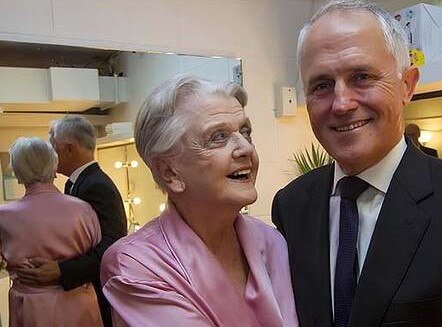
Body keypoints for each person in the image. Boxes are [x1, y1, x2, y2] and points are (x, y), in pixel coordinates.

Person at [271, 1, 442, 326]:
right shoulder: (293, 205)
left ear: (407, 85)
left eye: (361, 77)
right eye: (321, 85)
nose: (342, 103)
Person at [100, 75, 298, 326]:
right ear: (169, 172)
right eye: (219, 137)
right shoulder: (135, 265)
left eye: (245, 132)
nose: (246, 148)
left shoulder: (273, 242)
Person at [16, 116, 127, 327]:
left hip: (93, 294)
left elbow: (113, 247)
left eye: (54, 147)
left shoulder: (96, 186)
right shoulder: (77, 183)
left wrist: (62, 270)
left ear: (68, 149)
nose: (51, 153)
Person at [0, 137, 103, 327]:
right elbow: (97, 253)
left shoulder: (4, 216)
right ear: (54, 168)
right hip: (79, 301)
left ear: (18, 174)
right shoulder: (83, 209)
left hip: (32, 306)